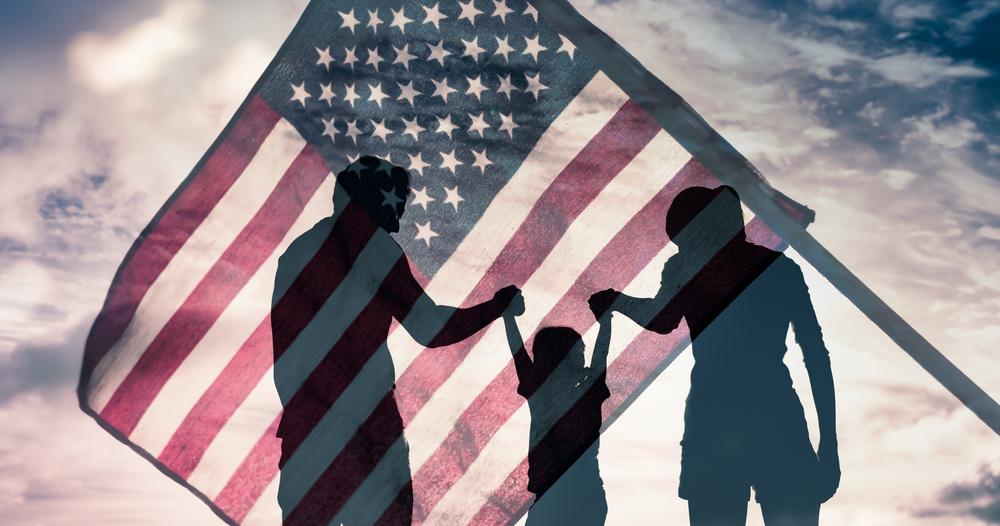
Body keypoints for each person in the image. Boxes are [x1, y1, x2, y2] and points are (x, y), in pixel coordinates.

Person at [272, 156, 520, 525]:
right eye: (399, 199)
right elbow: (432, 328)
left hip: (306, 424)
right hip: (365, 423)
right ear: (378, 197)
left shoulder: (298, 251)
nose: (401, 212)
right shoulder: (372, 246)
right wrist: (497, 306)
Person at [589, 185, 839, 526]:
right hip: (756, 419)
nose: (682, 245)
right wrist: (829, 442)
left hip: (731, 420)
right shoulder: (774, 269)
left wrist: (619, 302)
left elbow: (661, 319)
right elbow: (816, 356)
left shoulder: (693, 266)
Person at [503, 290, 612, 526]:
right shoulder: (585, 389)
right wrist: (605, 322)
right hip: (580, 494)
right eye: (579, 352)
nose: (583, 358)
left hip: (563, 496)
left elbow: (518, 354)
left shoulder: (544, 394)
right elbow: (519, 355)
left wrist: (508, 318)